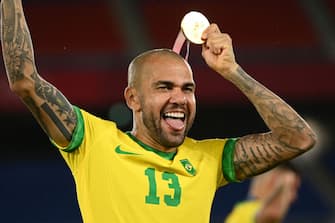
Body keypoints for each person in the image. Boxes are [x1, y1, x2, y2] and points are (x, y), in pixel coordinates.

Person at [0, 1, 316, 223]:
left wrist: (233, 71)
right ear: (132, 98)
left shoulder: (209, 159)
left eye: (187, 88)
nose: (179, 97)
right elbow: (25, 82)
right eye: (164, 87)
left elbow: (299, 139)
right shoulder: (93, 142)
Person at [224, 162, 301, 223]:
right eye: (292, 188)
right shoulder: (250, 211)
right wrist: (286, 183)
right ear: (273, 180)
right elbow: (273, 213)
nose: (294, 197)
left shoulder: (240, 211)